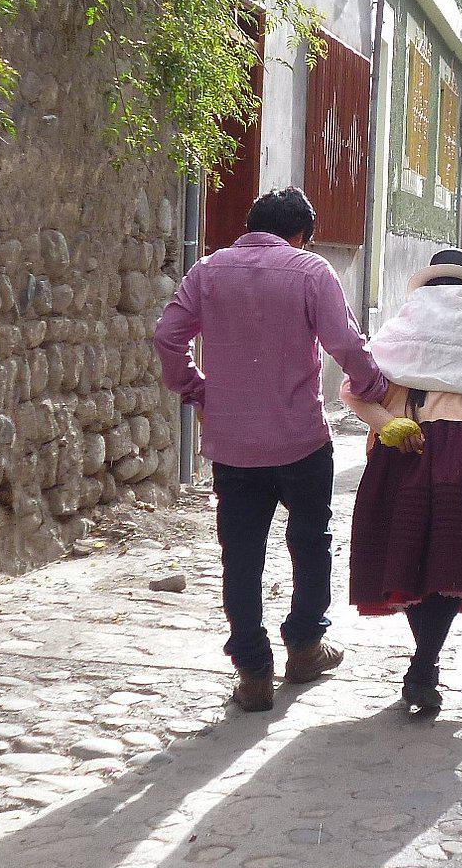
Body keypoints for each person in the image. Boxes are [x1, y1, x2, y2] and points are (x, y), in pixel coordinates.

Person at [154, 187, 388, 712]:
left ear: (251, 225)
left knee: (241, 555)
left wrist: (196, 390)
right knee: (311, 542)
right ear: (301, 234)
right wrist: (373, 388)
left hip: (233, 444)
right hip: (301, 439)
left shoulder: (208, 272)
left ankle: (253, 670)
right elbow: (346, 344)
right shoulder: (311, 272)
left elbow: (168, 337)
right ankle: (304, 646)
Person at [341, 249, 462, 717]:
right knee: (450, 557)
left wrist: (385, 421)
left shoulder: (400, 327)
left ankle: (424, 664)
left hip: (403, 443)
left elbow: (354, 387)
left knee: (409, 552)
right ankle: (425, 665)